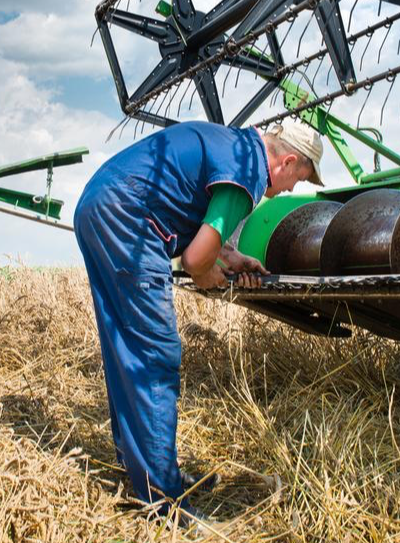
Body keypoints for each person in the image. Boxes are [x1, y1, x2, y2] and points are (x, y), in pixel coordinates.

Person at [73, 120, 324, 516]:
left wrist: (228, 256)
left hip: (99, 203)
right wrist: (207, 272)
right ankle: (164, 502)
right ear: (287, 160)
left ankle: (142, 468)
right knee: (155, 354)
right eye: (299, 178)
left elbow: (190, 212)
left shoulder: (234, 146)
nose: (292, 189)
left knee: (125, 345)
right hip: (128, 216)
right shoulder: (248, 172)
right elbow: (193, 260)